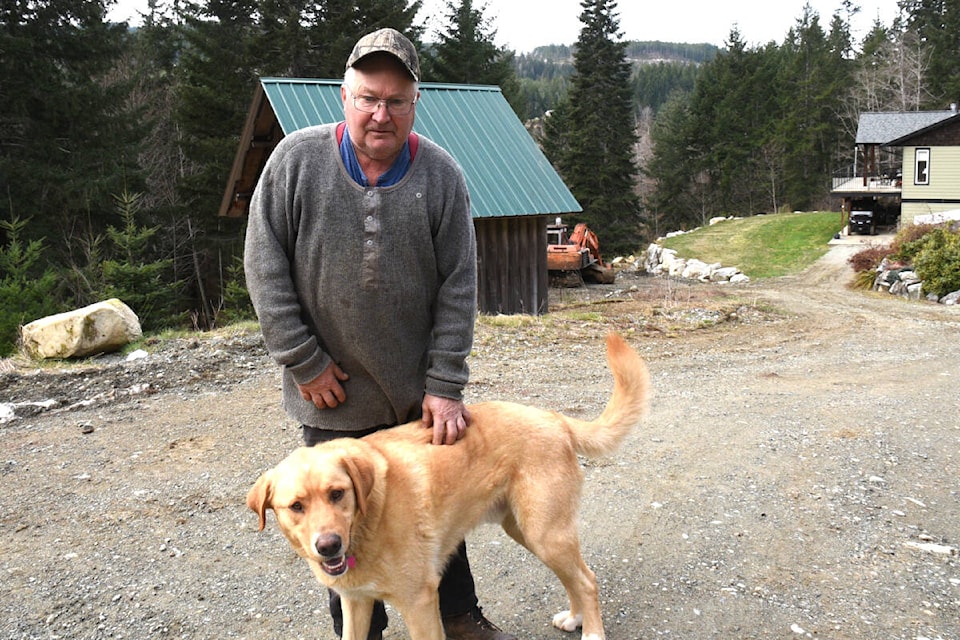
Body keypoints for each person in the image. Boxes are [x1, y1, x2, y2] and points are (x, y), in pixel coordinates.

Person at [244, 27, 516, 640]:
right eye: (368, 97)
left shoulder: (442, 175)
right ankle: (361, 633)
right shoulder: (294, 160)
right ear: (345, 97)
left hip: (415, 397)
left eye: (395, 101)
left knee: (429, 514)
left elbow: (458, 284)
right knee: (333, 519)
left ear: (414, 104)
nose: (380, 113)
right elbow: (264, 265)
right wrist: (302, 360)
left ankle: (459, 618)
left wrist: (447, 381)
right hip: (330, 396)